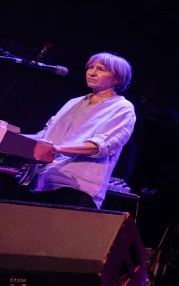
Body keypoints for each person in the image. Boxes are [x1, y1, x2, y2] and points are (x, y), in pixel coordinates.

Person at [25, 52, 136, 209]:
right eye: (90, 67)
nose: (92, 72)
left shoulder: (122, 108)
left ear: (117, 78)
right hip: (41, 182)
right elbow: (45, 136)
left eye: (101, 69)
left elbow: (100, 146)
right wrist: (10, 137)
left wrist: (56, 149)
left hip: (76, 188)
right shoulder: (74, 102)